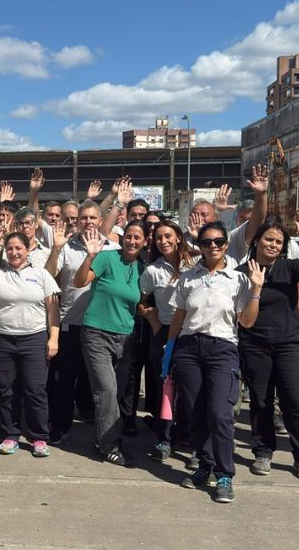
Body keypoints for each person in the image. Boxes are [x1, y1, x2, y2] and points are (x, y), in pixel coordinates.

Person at [168, 221, 264, 504]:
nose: (213, 246)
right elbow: (179, 316)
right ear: (199, 246)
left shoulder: (238, 279)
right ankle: (205, 465)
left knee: (220, 414)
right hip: (188, 349)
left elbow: (246, 321)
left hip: (222, 349)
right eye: (207, 242)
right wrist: (169, 351)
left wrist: (256, 290)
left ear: (225, 244)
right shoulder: (188, 277)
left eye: (219, 241)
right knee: (195, 412)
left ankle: (225, 474)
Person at [237, 213, 299, 481]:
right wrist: (255, 287)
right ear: (257, 241)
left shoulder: (290, 267)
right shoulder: (242, 272)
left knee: (294, 400)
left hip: (288, 345)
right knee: (261, 401)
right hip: (255, 344)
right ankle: (263, 451)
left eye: (278, 241)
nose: (273, 245)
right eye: (268, 239)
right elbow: (241, 315)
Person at [0, 230, 60, 457]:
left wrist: (54, 337)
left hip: (34, 339)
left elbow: (53, 309)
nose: (14, 252)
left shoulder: (41, 274)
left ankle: (38, 437)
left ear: (28, 250)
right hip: (1, 339)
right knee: (6, 390)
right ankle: (11, 434)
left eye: (19, 248)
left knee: (35, 390)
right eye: (10, 249)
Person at [74, 223, 148, 466]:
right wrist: (90, 255)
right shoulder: (106, 258)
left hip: (126, 337)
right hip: (96, 333)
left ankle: (103, 437)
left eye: (138, 238)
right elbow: (80, 281)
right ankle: (110, 445)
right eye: (129, 236)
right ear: (122, 238)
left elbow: (140, 302)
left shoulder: (143, 269)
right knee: (106, 390)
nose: (132, 241)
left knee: (115, 392)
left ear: (145, 242)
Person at [45, 200, 115, 444]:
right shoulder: (66, 247)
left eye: (92, 218)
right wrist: (55, 249)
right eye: (83, 218)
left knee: (100, 384)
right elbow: (49, 275)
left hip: (102, 327)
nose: (87, 222)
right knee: (64, 381)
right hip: (70, 324)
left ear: (100, 220)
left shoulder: (112, 249)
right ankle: (59, 429)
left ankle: (104, 433)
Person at [140, 220, 196, 463]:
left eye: (168, 236)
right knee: (167, 390)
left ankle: (194, 442)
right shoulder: (152, 271)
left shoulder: (196, 264)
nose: (163, 241)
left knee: (193, 391)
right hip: (165, 335)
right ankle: (164, 440)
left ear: (179, 238)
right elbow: (141, 301)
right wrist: (152, 322)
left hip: (193, 333)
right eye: (158, 238)